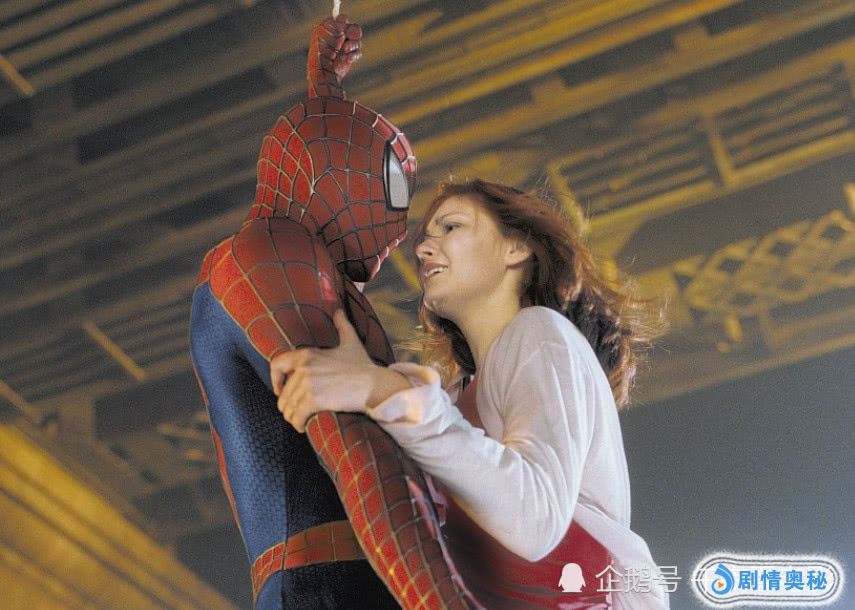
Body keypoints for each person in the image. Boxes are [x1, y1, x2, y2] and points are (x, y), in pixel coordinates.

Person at [271, 178, 670, 609]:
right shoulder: (457, 395)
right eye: (424, 239)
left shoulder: (541, 333)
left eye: (451, 227)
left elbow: (535, 522)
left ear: (516, 248)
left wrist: (380, 389)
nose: (424, 250)